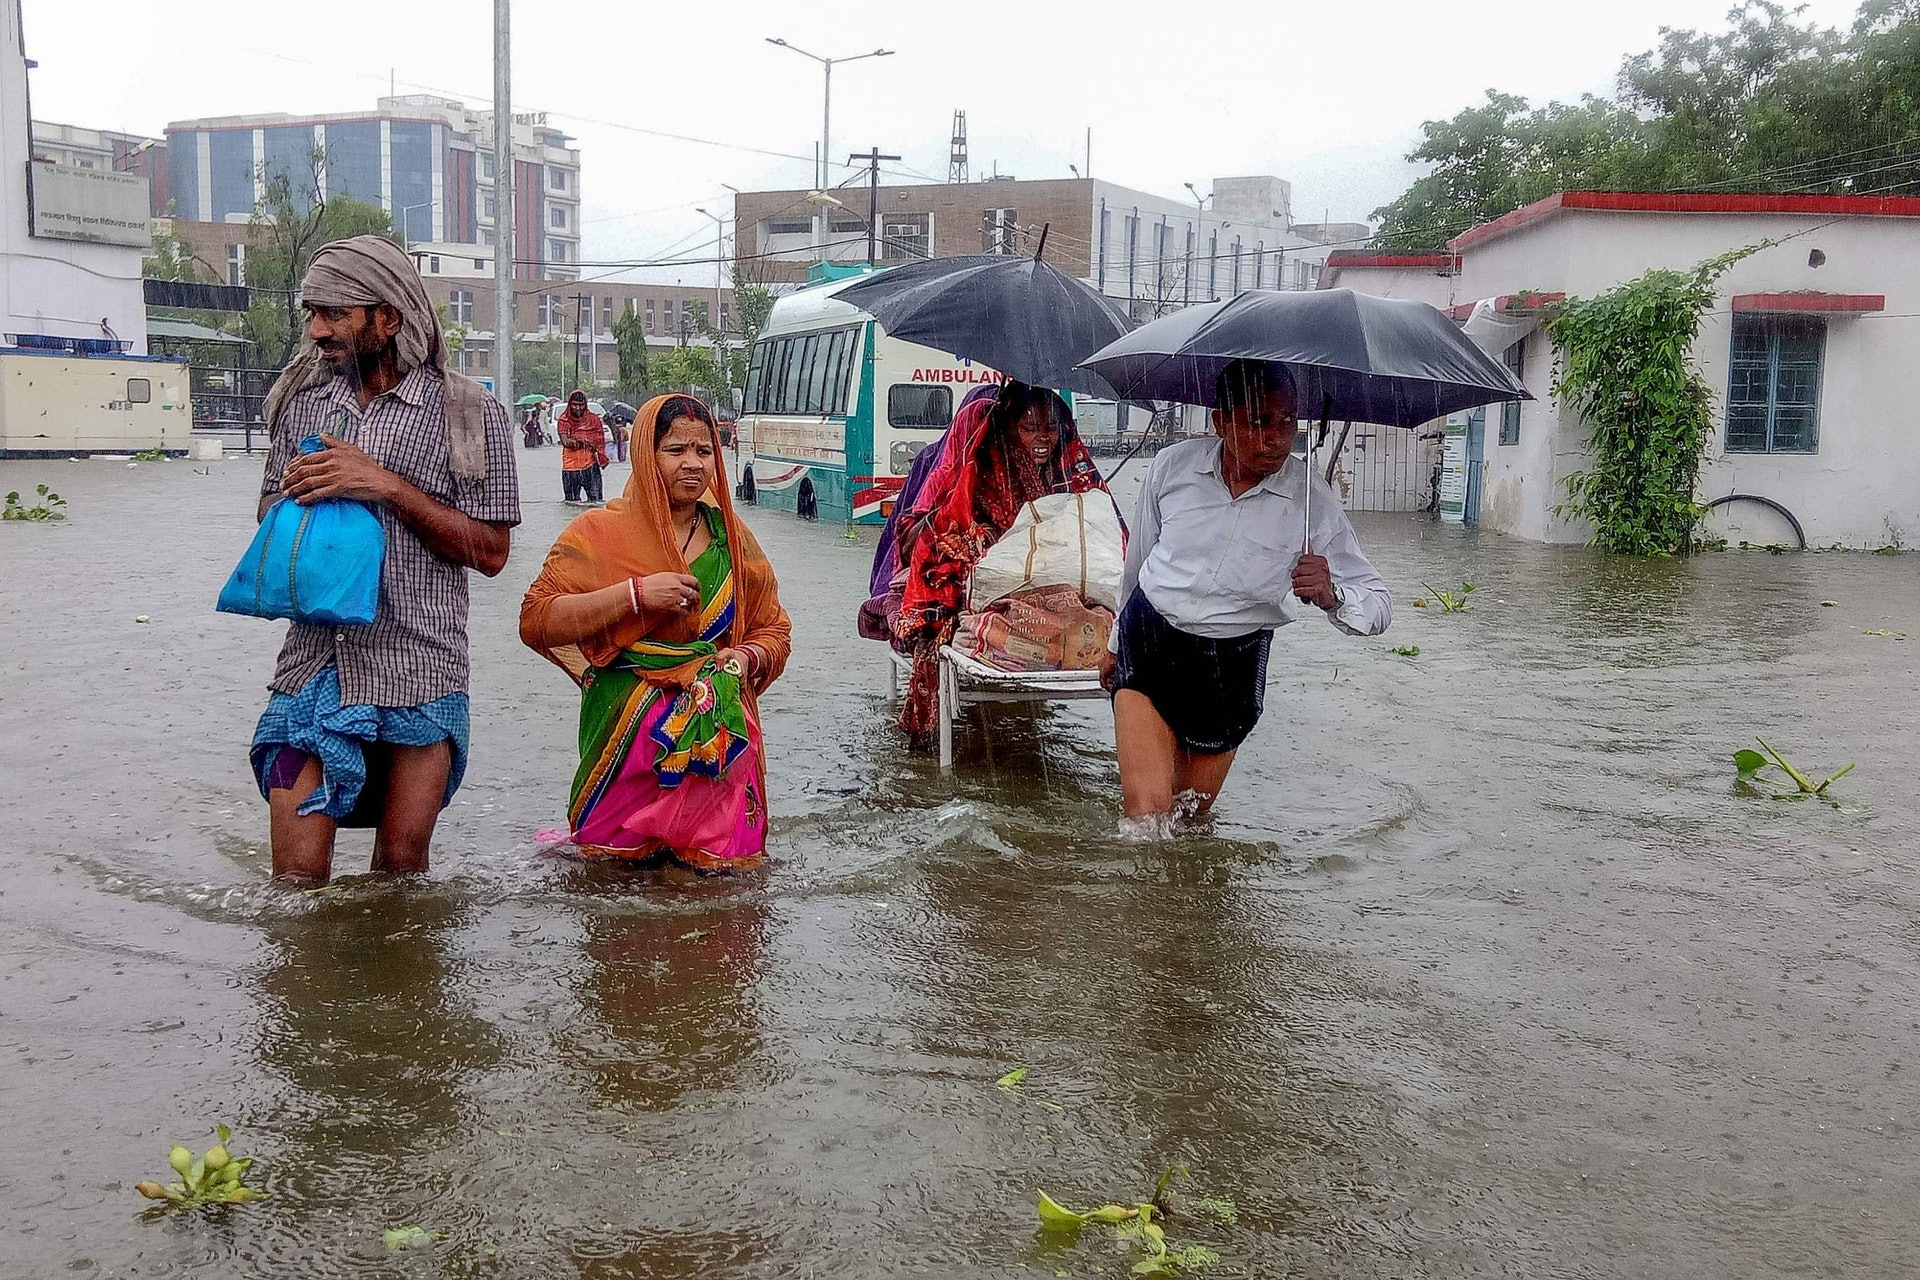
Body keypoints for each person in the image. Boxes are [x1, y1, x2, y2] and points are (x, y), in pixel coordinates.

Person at [249, 234, 521, 883]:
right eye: (310, 311)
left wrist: (388, 487)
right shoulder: (302, 402)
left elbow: (492, 553)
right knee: (294, 886)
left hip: (420, 674)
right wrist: (311, 503)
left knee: (400, 875)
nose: (316, 329)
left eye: (333, 313)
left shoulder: (468, 411)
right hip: (311, 669)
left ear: (388, 317)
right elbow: (266, 516)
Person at [1101, 359, 1390, 820]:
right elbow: (1137, 565)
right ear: (1220, 421)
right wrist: (1116, 642)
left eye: (1288, 420)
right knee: (1147, 816)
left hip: (1230, 666)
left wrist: (1333, 595)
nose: (1277, 436)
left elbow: (1379, 605)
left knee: (1189, 820)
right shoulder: (1172, 468)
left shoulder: (1310, 499)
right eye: (1259, 421)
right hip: (1151, 639)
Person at [519, 394, 792, 871]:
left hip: (716, 739)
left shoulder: (734, 538)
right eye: (675, 451)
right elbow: (537, 619)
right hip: (624, 742)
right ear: (647, 454)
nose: (693, 464)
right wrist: (635, 595)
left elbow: (774, 629)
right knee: (610, 884)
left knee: (723, 892)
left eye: (704, 451)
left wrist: (745, 659)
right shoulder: (598, 534)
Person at [893, 381, 1110, 741]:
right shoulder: (980, 464)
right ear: (1010, 428)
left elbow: (1093, 529)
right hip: (984, 564)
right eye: (1030, 428)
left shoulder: (1066, 469)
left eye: (1050, 428)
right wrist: (987, 543)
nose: (1043, 438)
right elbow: (942, 532)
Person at [557, 389, 608, 503]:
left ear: (585, 404)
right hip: (570, 468)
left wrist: (577, 441)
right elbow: (565, 442)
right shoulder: (564, 420)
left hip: (591, 466)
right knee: (571, 503)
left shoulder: (594, 420)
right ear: (570, 404)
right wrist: (585, 442)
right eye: (574, 405)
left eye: (581, 405)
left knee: (596, 503)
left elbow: (599, 441)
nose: (578, 408)